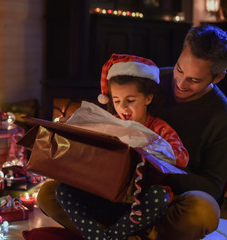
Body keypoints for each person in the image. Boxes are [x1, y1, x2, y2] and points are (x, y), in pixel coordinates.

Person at [37, 24, 227, 240]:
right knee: (48, 194)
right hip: (112, 190)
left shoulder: (222, 115)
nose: (180, 83)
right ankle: (124, 235)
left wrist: (151, 168)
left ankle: (122, 233)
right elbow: (109, 115)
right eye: (179, 69)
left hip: (165, 199)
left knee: (204, 211)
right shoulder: (149, 80)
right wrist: (76, 126)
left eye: (194, 80)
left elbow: (212, 186)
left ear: (218, 77)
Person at [56, 54, 189, 240]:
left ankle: (112, 237)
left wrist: (147, 140)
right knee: (63, 191)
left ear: (148, 98)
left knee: (160, 196)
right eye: (117, 101)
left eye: (130, 100)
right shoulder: (111, 123)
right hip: (106, 199)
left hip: (140, 206)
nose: (123, 108)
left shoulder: (159, 128)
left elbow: (182, 158)